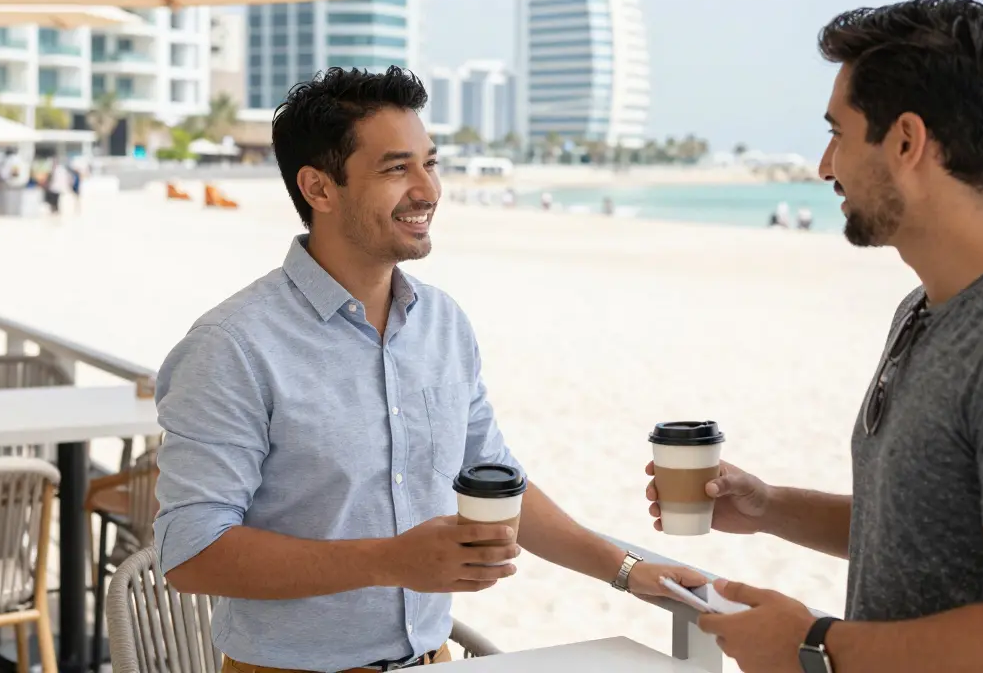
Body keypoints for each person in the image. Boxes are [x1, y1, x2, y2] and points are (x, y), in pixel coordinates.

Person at [153, 66, 703, 673]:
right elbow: (190, 552)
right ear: (319, 189)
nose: (427, 190)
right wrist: (391, 560)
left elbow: (495, 478)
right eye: (396, 168)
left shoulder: (442, 322)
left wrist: (625, 569)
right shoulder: (231, 345)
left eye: (430, 163)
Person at [644, 0, 983, 673]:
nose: (823, 167)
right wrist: (769, 507)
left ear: (906, 141)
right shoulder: (924, 308)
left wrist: (813, 646)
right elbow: (930, 532)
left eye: (837, 133)